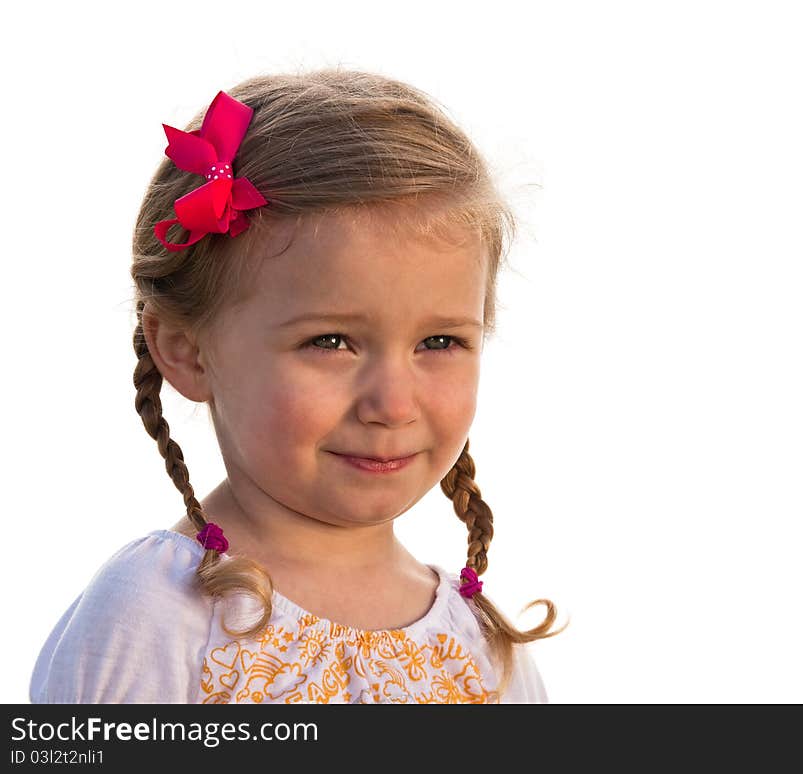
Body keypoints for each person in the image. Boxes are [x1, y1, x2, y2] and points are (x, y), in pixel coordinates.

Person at [29, 70, 567, 704]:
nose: (392, 404)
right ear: (186, 349)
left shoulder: (481, 649)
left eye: (439, 342)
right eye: (330, 342)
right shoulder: (158, 614)